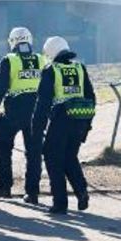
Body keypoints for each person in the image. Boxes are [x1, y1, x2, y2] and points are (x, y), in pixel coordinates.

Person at [32, 36, 95, 215]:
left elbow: (43, 103)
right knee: (69, 157)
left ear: (50, 52)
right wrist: (87, 124)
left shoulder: (51, 70)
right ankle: (81, 190)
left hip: (61, 120)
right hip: (80, 119)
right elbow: (91, 97)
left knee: (52, 158)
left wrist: (37, 129)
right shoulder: (80, 68)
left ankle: (60, 203)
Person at [0, 27, 45, 202]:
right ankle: (32, 193)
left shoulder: (9, 60)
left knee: (3, 146)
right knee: (34, 153)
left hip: (15, 111)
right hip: (37, 110)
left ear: (12, 42)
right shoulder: (42, 59)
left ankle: (5, 187)